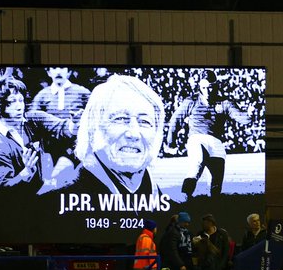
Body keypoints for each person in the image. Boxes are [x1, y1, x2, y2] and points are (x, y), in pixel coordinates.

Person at [69, 75, 165, 198]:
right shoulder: (55, 205)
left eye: (144, 122)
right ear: (92, 129)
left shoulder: (170, 209)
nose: (134, 134)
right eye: (120, 119)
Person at [165, 71, 251, 200]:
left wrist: (249, 116)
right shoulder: (192, 101)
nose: (207, 91)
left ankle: (213, 203)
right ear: (200, 86)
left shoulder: (224, 103)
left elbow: (241, 117)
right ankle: (184, 197)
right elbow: (175, 120)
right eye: (204, 88)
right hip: (197, 138)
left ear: (215, 86)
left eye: (210, 87)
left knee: (216, 179)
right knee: (197, 164)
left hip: (216, 142)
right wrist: (170, 142)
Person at [28, 65, 90, 189]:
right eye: (54, 68)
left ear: (69, 71)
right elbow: (31, 122)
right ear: (49, 72)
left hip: (72, 149)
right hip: (48, 150)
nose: (58, 72)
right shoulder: (42, 96)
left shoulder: (81, 92)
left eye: (62, 68)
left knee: (59, 180)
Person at [0, 73, 45, 189]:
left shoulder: (30, 120)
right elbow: (3, 188)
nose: (19, 106)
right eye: (12, 101)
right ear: (0, 106)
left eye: (21, 100)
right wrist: (26, 172)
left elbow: (61, 126)